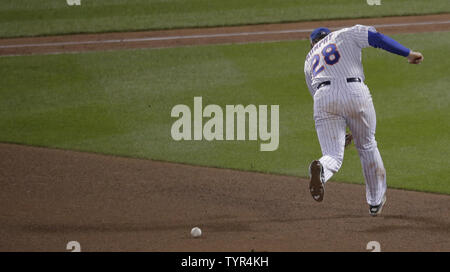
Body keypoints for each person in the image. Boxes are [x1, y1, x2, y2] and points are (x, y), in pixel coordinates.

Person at [303, 25, 423, 216]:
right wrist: (408, 53)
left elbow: (318, 96)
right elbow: (378, 39)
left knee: (332, 155)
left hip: (323, 97)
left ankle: (322, 169)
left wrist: (341, 133)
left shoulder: (309, 61)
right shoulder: (345, 33)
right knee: (366, 145)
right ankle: (375, 202)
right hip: (354, 92)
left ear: (312, 44)